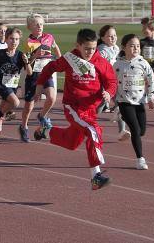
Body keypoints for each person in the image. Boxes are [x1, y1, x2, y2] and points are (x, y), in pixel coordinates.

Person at [32, 28, 117, 191]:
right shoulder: (70, 58)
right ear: (77, 45)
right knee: (94, 131)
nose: (90, 52)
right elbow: (49, 68)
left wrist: (108, 92)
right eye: (86, 48)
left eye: (93, 48)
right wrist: (39, 87)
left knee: (71, 142)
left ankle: (46, 131)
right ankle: (96, 177)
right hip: (73, 107)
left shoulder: (101, 62)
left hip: (90, 110)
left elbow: (112, 82)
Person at [113, 34, 154, 170]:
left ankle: (124, 128)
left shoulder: (143, 63)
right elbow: (110, 81)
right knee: (136, 129)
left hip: (139, 102)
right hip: (124, 102)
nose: (135, 48)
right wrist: (109, 96)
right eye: (132, 46)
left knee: (142, 131)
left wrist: (151, 98)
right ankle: (140, 159)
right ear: (124, 47)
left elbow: (151, 81)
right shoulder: (118, 64)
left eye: (138, 46)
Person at [22, 13, 61, 143]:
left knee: (52, 97)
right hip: (34, 74)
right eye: (36, 24)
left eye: (41, 24)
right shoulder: (28, 42)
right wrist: (36, 54)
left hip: (47, 72)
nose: (39, 26)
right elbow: (28, 62)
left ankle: (41, 116)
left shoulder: (49, 37)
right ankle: (24, 126)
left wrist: (59, 60)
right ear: (29, 27)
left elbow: (55, 47)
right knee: (29, 105)